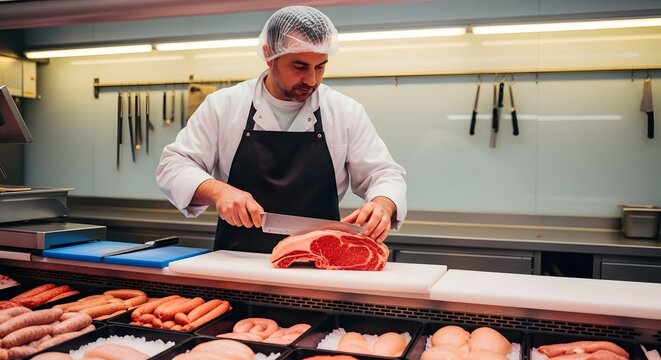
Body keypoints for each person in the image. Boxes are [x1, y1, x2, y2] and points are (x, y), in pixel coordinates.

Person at [156, 5, 407, 253]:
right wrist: (217, 191)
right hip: (236, 262)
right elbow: (174, 165)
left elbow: (384, 174)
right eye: (299, 66)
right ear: (269, 55)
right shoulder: (224, 106)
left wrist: (382, 204)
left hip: (319, 262)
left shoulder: (345, 111)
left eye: (320, 66)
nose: (311, 80)